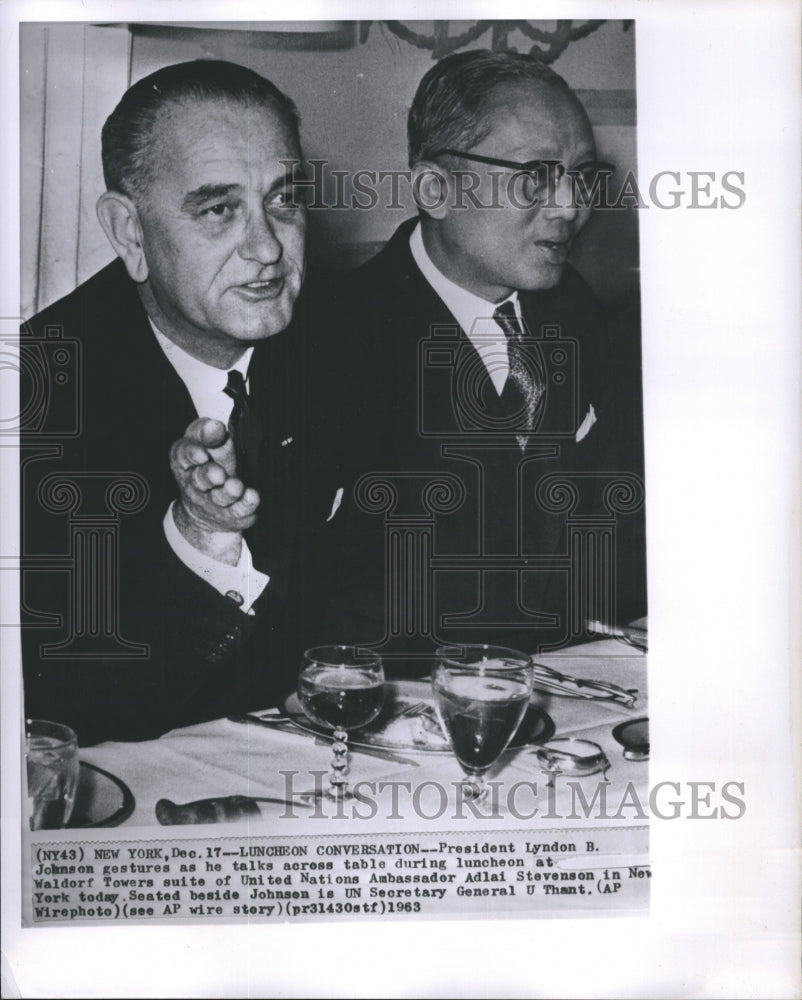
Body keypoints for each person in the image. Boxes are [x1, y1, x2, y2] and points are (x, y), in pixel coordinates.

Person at [20, 60, 374, 744]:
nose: (268, 247)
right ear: (129, 233)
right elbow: (60, 708)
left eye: (282, 199)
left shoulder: (346, 344)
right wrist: (200, 537)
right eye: (219, 210)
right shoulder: (35, 399)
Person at [334, 50, 646, 663]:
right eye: (534, 176)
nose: (567, 207)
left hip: (573, 678)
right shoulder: (336, 335)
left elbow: (618, 519)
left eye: (581, 176)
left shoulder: (576, 309)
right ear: (434, 189)